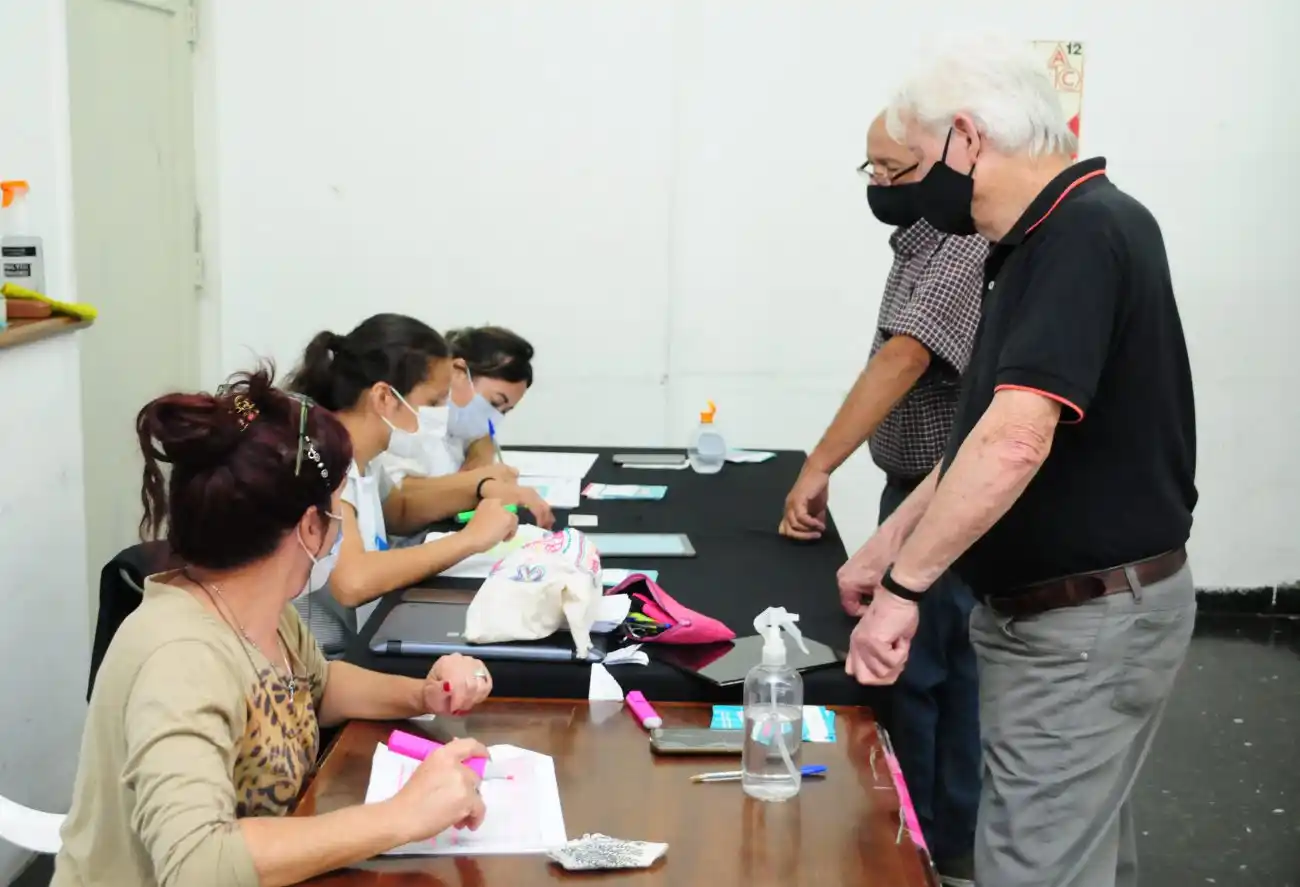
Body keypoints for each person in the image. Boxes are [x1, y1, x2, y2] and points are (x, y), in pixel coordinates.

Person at [844, 37, 1197, 887]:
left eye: (912, 165)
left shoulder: (1082, 234)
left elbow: (1014, 441)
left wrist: (905, 593)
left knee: (1032, 863)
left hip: (1081, 624)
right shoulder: (1034, 242)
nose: (902, 191)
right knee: (1073, 847)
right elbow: (978, 432)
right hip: (1066, 616)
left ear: (966, 138)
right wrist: (889, 541)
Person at [54, 369, 498, 887]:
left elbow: (317, 687)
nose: (337, 530)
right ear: (311, 525)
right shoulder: (180, 657)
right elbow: (199, 864)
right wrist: (400, 817)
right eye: (337, 513)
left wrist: (422, 694)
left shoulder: (256, 608)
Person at [780, 111, 987, 885]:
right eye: (868, 169)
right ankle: (924, 828)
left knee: (928, 671)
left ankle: (933, 847)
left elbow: (906, 356)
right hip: (910, 489)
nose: (877, 186)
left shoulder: (965, 244)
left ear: (949, 152)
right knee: (924, 666)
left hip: (944, 498)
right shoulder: (923, 238)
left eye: (892, 170)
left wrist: (819, 462)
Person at [287, 313, 546, 652]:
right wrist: (471, 539)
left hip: (364, 634)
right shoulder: (323, 460)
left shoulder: (364, 453)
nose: (442, 413)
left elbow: (399, 509)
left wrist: (478, 487)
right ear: (384, 398)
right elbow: (352, 581)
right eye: (434, 402)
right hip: (323, 657)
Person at [372, 325, 545, 514]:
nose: (493, 418)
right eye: (494, 403)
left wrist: (476, 467)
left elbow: (483, 437)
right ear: (458, 371)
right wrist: (477, 481)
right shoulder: (405, 414)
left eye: (505, 411)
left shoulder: (459, 418)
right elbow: (397, 500)